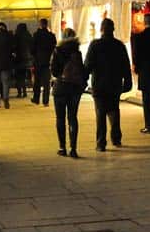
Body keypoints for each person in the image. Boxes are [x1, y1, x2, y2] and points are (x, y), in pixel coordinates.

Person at [84, 18, 133, 151]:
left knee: (100, 114)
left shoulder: (95, 45)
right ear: (113, 29)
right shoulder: (119, 45)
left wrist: (83, 80)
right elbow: (125, 66)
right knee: (114, 110)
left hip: (99, 85)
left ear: (101, 29)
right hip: (114, 84)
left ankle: (101, 143)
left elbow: (88, 64)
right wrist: (128, 83)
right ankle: (116, 138)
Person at [51, 27, 85, 158]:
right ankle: (73, 148)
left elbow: (54, 71)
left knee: (60, 118)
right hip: (74, 89)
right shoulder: (77, 52)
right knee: (73, 117)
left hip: (60, 88)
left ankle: (62, 147)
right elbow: (81, 70)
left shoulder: (57, 50)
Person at [31, 19, 57, 106]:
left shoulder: (36, 35)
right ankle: (45, 101)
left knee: (37, 82)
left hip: (38, 61)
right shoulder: (51, 36)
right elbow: (54, 47)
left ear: (40, 25)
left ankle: (36, 99)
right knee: (46, 83)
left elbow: (32, 49)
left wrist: (34, 57)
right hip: (47, 61)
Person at [13, 23, 33, 98]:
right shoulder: (28, 35)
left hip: (18, 58)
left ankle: (19, 92)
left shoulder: (17, 35)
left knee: (18, 76)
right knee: (24, 76)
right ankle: (24, 92)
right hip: (27, 59)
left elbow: (14, 46)